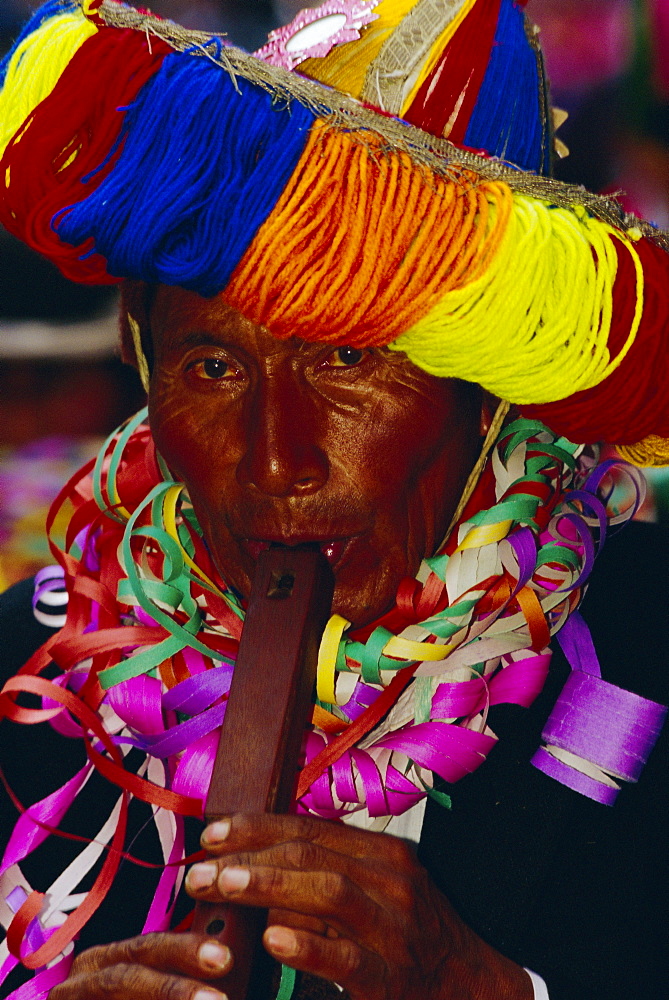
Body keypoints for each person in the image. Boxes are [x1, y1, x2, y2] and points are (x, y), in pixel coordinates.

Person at [0, 1, 668, 999]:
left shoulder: (646, 638)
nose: (277, 462)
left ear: (481, 388)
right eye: (215, 365)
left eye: (349, 358)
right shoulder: (26, 660)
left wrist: (479, 987)